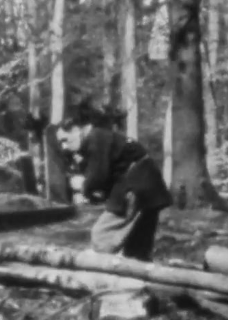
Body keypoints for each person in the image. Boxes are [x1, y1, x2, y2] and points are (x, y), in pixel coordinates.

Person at [56, 106, 173, 262]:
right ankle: (138, 279)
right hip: (148, 186)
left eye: (65, 140)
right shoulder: (100, 139)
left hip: (136, 186)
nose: (64, 146)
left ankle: (100, 275)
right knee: (137, 246)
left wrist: (83, 185)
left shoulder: (96, 138)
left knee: (101, 235)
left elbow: (98, 177)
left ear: (80, 129)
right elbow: (105, 180)